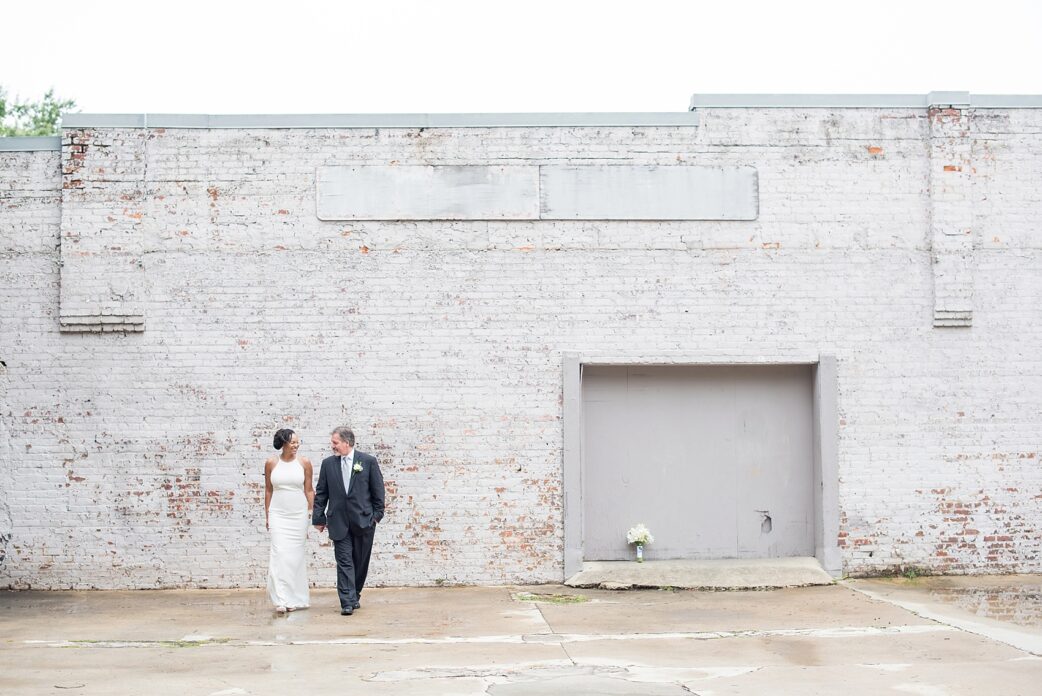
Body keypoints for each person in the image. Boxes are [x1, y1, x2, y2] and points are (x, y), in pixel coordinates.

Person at [313, 426, 385, 616]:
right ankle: (346, 600)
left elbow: (378, 491)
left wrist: (376, 516)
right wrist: (318, 518)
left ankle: (355, 594)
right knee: (344, 561)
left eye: (335, 443)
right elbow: (321, 493)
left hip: (363, 521)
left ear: (347, 443)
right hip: (338, 521)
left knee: (360, 561)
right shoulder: (328, 464)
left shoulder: (368, 462)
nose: (333, 446)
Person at [265, 428, 314, 614]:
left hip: (298, 514)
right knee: (279, 554)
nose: (296, 445)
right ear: (283, 443)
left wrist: (312, 512)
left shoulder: (304, 463)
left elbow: (309, 490)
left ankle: (294, 598)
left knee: (295, 556)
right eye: (293, 442)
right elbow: (268, 490)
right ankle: (281, 599)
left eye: (297, 442)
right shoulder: (271, 463)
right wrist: (268, 515)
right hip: (278, 512)